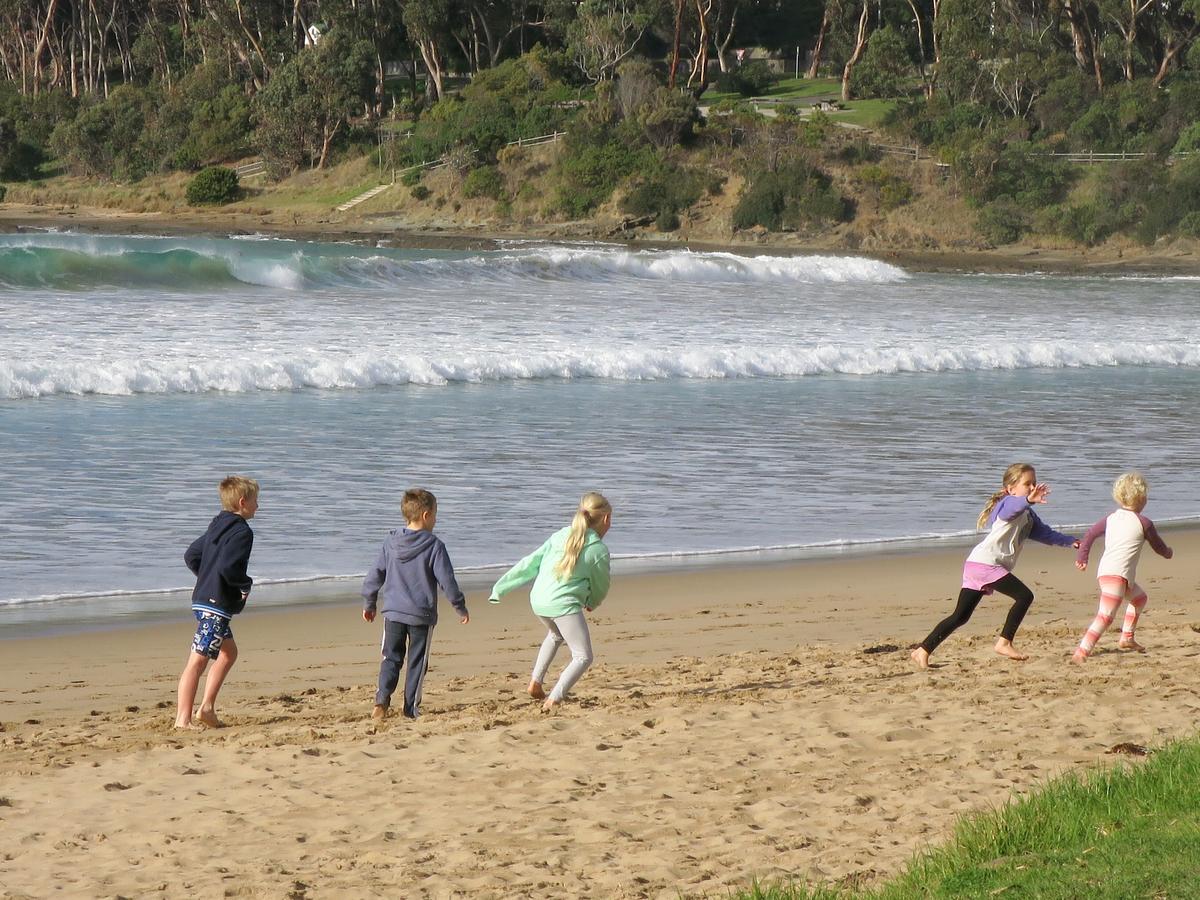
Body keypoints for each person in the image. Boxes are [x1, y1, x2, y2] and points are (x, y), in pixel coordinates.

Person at [911, 464, 1079, 669]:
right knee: (1024, 596)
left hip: (977, 564)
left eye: (1034, 483)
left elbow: (1046, 534)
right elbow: (1013, 508)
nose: (1033, 487)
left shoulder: (1028, 516)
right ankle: (1004, 642)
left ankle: (922, 650)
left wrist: (1072, 541)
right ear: (1010, 489)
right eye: (1027, 484)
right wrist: (1026, 500)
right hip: (985, 564)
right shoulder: (1007, 504)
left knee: (960, 616)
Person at [488, 492, 612, 714]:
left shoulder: (560, 535)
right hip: (561, 605)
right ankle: (554, 698)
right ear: (606, 519)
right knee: (583, 656)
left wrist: (500, 587)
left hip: (538, 601)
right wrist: (593, 601)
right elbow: (601, 584)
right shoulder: (598, 550)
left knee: (556, 635)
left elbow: (529, 563)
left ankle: (535, 683)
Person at [362, 488, 469, 721]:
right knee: (417, 663)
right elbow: (447, 581)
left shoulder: (391, 542)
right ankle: (410, 708)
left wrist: (369, 602)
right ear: (426, 515)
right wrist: (459, 606)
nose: (436, 520)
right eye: (436, 515)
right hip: (421, 615)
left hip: (393, 613)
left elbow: (374, 575)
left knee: (390, 658)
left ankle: (381, 702)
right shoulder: (434, 546)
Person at [175, 475, 259, 729]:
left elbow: (192, 555)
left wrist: (207, 577)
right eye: (256, 501)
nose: (259, 506)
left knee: (229, 653)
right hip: (215, 605)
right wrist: (244, 585)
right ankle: (182, 720)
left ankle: (207, 709)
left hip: (202, 600)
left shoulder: (217, 524)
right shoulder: (243, 531)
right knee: (197, 661)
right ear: (243, 502)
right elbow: (229, 568)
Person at [1071, 473, 1173, 662]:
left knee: (1139, 598)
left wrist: (1082, 557)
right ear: (1142, 498)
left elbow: (1090, 534)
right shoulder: (1144, 523)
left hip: (1110, 573)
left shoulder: (1111, 518)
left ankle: (1127, 637)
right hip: (1117, 575)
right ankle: (1082, 651)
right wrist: (1168, 552)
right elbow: (1158, 547)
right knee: (1106, 616)